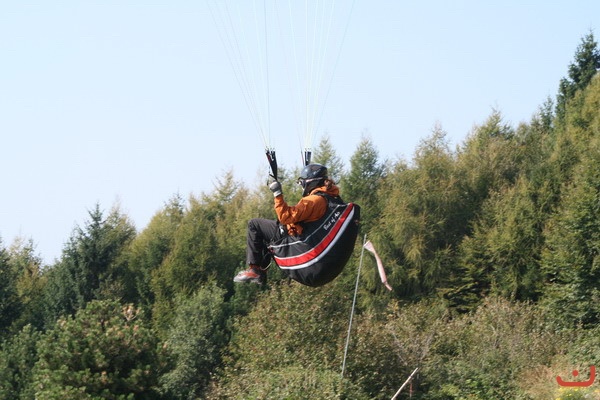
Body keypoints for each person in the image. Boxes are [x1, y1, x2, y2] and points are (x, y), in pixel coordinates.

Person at [233, 163, 341, 284]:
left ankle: (255, 270)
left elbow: (285, 216)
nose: (302, 186)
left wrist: (277, 193)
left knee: (255, 225)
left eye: (302, 183)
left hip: (294, 237)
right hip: (307, 238)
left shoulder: (314, 200)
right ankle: (260, 271)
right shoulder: (330, 197)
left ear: (311, 183)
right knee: (267, 234)